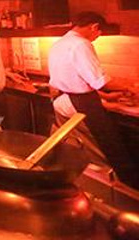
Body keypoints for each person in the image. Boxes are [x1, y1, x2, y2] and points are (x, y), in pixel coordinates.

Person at [49, 11, 139, 188]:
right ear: (94, 27)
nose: (98, 37)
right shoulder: (81, 44)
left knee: (83, 149)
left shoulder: (60, 43)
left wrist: (105, 96)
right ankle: (126, 192)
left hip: (62, 101)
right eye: (99, 32)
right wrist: (130, 87)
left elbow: (77, 80)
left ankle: (92, 188)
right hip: (81, 106)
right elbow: (100, 80)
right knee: (111, 151)